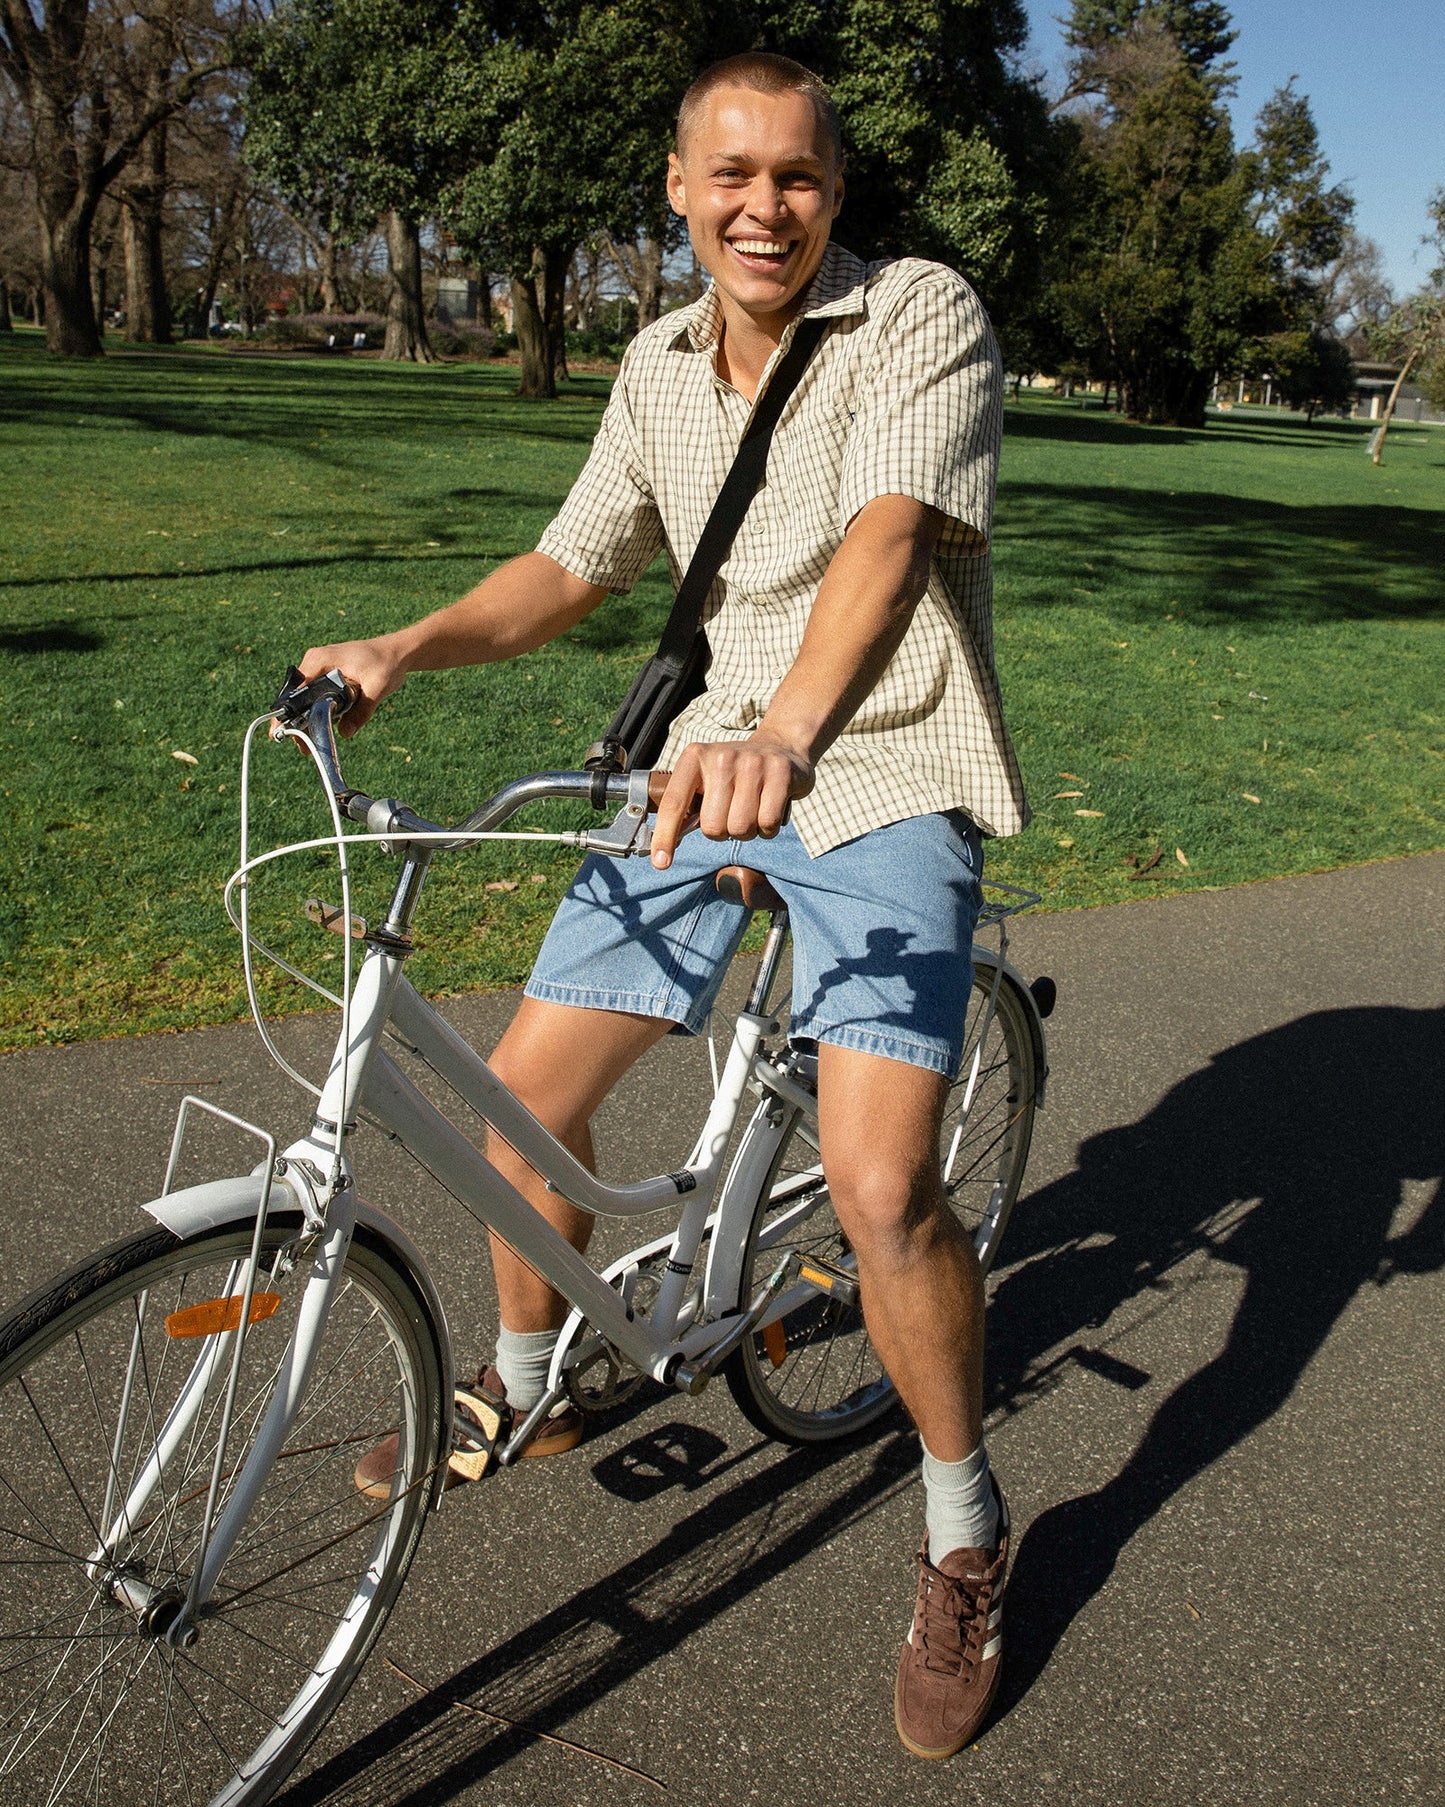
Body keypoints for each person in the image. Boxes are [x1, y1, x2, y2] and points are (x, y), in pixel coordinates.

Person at [296, 51, 1029, 1759]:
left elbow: (888, 537)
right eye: (730, 175)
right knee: (515, 1112)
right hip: (703, 773)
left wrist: (788, 729)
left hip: (881, 766)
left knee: (878, 1187)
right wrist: (402, 646)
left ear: (832, 193)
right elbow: (577, 560)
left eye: (794, 176)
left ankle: (960, 1527)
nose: (760, 205)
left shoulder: (918, 314)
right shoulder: (652, 364)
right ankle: (530, 1376)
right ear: (679, 189)